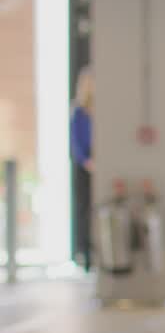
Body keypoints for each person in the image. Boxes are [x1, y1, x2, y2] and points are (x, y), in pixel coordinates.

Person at [70, 66, 93, 270]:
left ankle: (94, 254)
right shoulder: (78, 111)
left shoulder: (99, 109)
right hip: (84, 167)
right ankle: (84, 255)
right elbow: (76, 143)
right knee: (84, 210)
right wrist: (87, 161)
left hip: (98, 164)